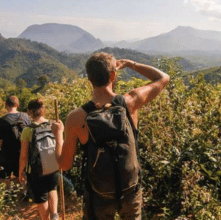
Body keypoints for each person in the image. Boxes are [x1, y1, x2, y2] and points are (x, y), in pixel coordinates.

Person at [52, 52, 170, 219]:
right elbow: (163, 78)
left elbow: (64, 165)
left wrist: (58, 135)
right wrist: (131, 64)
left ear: (89, 78)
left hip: (98, 194)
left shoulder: (76, 118)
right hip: (130, 189)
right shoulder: (131, 102)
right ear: (113, 75)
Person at [19, 98, 59, 220]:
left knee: (41, 196)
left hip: (36, 169)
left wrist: (21, 171)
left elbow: (24, 155)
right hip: (53, 165)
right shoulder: (54, 124)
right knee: (52, 188)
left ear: (29, 112)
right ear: (43, 110)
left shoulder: (27, 130)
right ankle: (54, 215)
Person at [0, 95, 31, 190]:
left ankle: (7, 195)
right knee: (22, 173)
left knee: (5, 175)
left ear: (6, 105)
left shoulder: (1, 121)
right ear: (17, 105)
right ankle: (25, 193)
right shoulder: (25, 117)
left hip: (7, 153)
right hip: (23, 151)